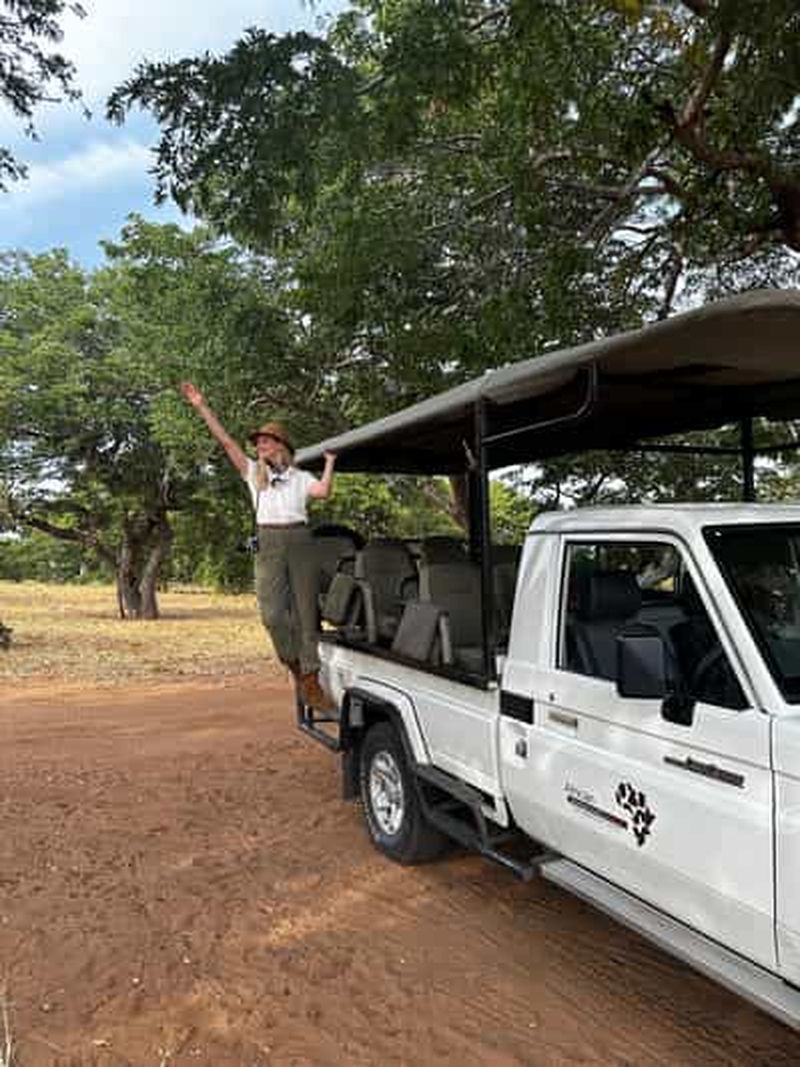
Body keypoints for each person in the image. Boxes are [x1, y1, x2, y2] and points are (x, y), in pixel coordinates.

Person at [180, 381, 337, 711]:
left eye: (266, 441)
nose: (260, 446)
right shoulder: (253, 473)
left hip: (300, 538)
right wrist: (201, 406)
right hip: (268, 540)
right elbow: (224, 441)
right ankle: (294, 664)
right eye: (259, 443)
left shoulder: (300, 476)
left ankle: (310, 678)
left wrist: (330, 462)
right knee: (272, 615)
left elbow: (323, 492)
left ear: (282, 446)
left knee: (307, 613)